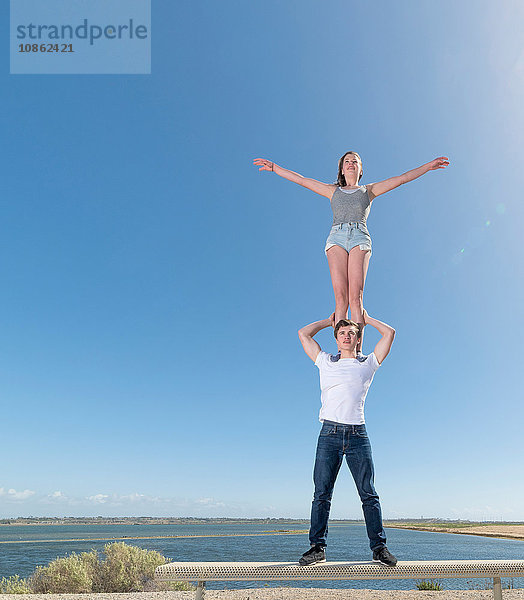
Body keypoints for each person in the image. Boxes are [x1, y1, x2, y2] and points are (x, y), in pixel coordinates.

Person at [254, 153, 448, 351]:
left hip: (359, 237)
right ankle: (341, 351)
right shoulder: (333, 191)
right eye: (347, 161)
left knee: (356, 298)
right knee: (341, 298)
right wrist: (275, 168)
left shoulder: (368, 190)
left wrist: (427, 166)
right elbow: (302, 180)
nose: (350, 163)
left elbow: (401, 179)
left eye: (355, 161)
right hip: (336, 237)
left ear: (360, 169)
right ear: (342, 169)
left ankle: (357, 351)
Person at [297, 309, 397, 566]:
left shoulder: (368, 364)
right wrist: (327, 322)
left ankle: (379, 548)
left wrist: (367, 318)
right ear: (336, 338)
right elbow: (303, 333)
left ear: (357, 339)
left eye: (351, 333)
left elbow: (390, 333)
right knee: (322, 494)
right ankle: (317, 548)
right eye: (341, 333)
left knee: (368, 494)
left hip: (357, 434)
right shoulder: (325, 361)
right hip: (328, 434)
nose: (346, 336)